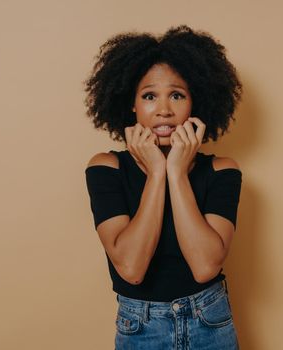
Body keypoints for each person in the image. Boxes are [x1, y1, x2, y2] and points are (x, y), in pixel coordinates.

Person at [84, 24, 243, 349]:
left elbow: (205, 267)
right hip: (141, 327)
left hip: (210, 322)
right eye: (149, 96)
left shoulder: (222, 170)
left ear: (195, 102)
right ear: (131, 103)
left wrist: (177, 172)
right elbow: (131, 268)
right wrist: (157, 172)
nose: (164, 110)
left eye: (177, 95)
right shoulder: (106, 168)